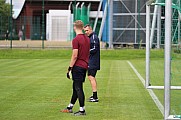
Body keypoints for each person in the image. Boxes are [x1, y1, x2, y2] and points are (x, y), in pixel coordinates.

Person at [61, 20, 90, 116]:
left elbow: (74, 55)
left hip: (78, 66)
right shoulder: (87, 39)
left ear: (74, 28)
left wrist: (70, 68)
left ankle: (82, 110)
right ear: (82, 27)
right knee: (75, 87)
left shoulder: (76, 40)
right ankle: (70, 107)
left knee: (78, 88)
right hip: (85, 66)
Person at [84, 24, 100, 102]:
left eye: (87, 30)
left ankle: (95, 97)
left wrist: (85, 52)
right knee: (91, 77)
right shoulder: (90, 37)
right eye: (85, 31)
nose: (86, 32)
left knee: (91, 77)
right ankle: (94, 95)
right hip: (92, 61)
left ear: (90, 29)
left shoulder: (93, 37)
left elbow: (94, 48)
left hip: (93, 61)